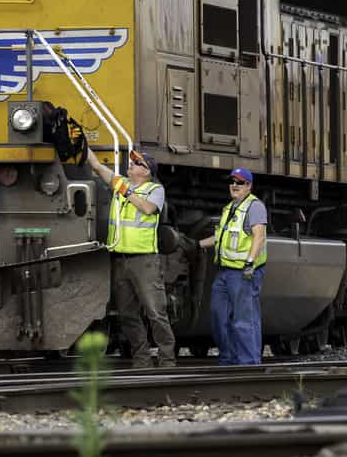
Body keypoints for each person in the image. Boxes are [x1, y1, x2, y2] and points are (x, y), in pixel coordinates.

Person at [85, 147, 177, 367]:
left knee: (155, 312)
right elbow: (97, 166)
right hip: (120, 259)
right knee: (127, 314)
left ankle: (167, 360)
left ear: (146, 172)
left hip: (144, 261)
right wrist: (83, 145)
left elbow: (146, 208)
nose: (131, 164)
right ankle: (142, 359)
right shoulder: (121, 183)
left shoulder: (155, 189)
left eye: (137, 163)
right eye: (132, 161)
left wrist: (125, 190)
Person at [197, 167, 267, 365]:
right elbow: (220, 237)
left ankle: (249, 364)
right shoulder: (229, 208)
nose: (234, 185)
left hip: (244, 272)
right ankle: (229, 358)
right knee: (219, 316)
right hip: (225, 272)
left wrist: (250, 263)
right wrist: (196, 245)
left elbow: (259, 236)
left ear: (249, 186)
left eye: (240, 182)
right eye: (232, 182)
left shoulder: (255, 207)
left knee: (244, 320)